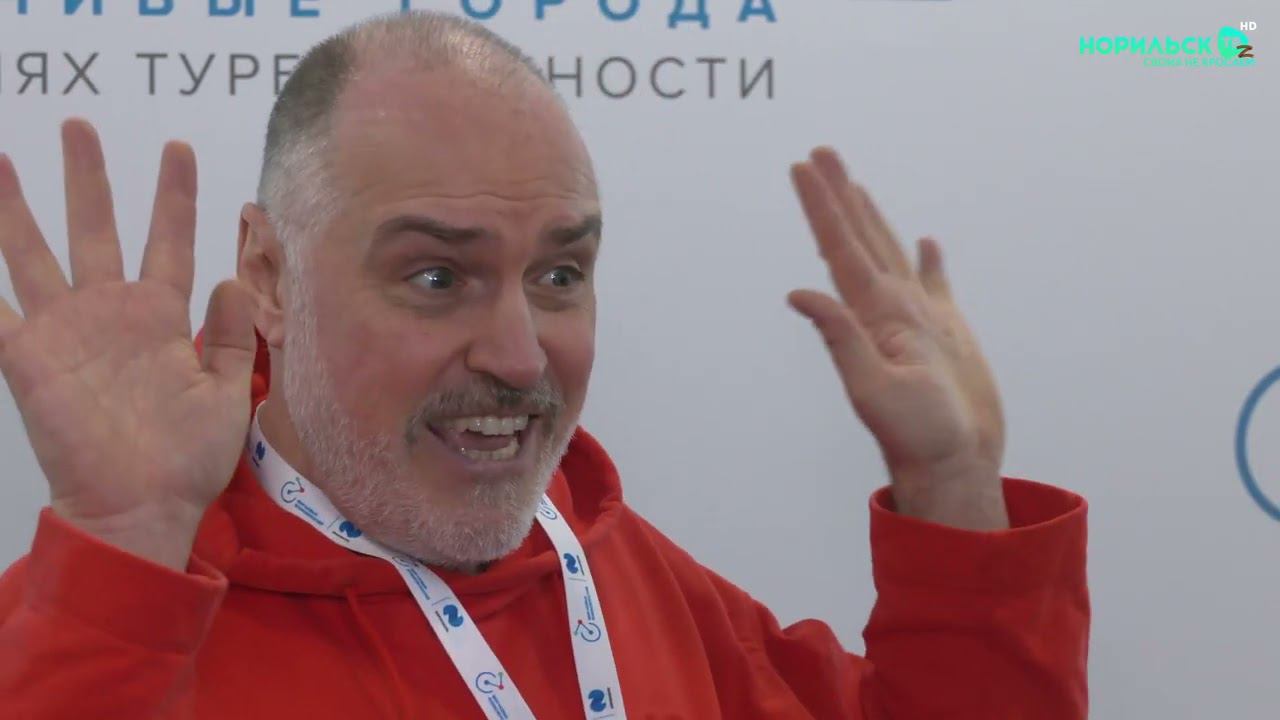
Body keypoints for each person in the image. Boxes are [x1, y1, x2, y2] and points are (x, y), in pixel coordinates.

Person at [0, 11, 1088, 720]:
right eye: (437, 277)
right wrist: (124, 548)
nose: (520, 356)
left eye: (560, 274)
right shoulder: (114, 622)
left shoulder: (620, 569)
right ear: (269, 275)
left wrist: (952, 488)